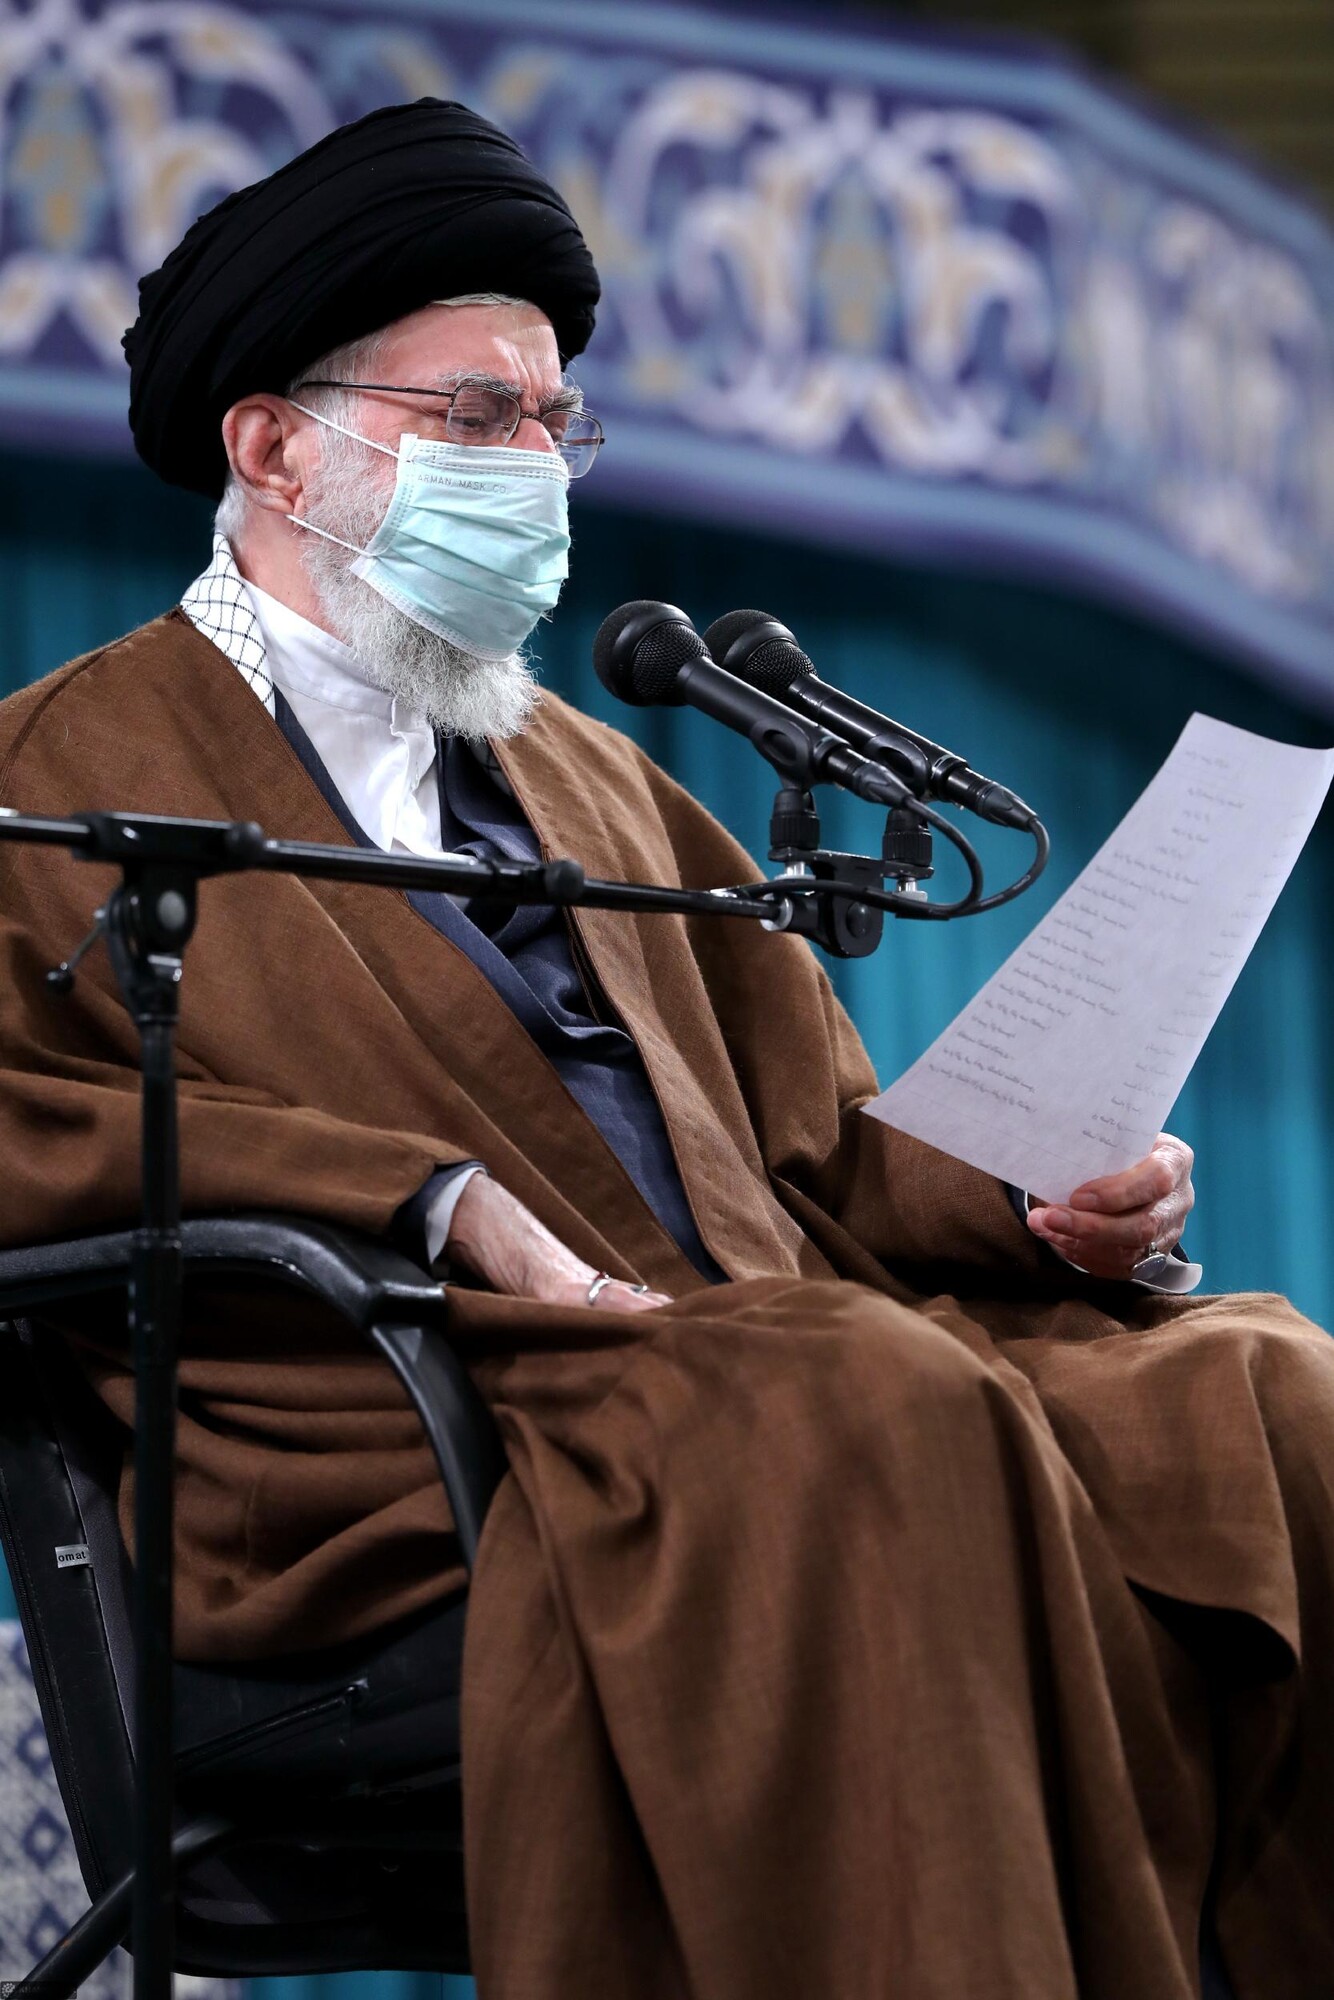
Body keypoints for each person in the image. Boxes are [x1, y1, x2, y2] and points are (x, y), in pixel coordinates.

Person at [0, 98, 1330, 2000]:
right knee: (863, 1397)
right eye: (480, 418)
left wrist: (1046, 1184)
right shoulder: (58, 777)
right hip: (407, 1434)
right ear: (275, 448)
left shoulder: (597, 777)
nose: (537, 470)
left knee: (1262, 1391)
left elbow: (817, 1149)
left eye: (557, 423)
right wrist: (426, 1197)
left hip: (762, 1349)